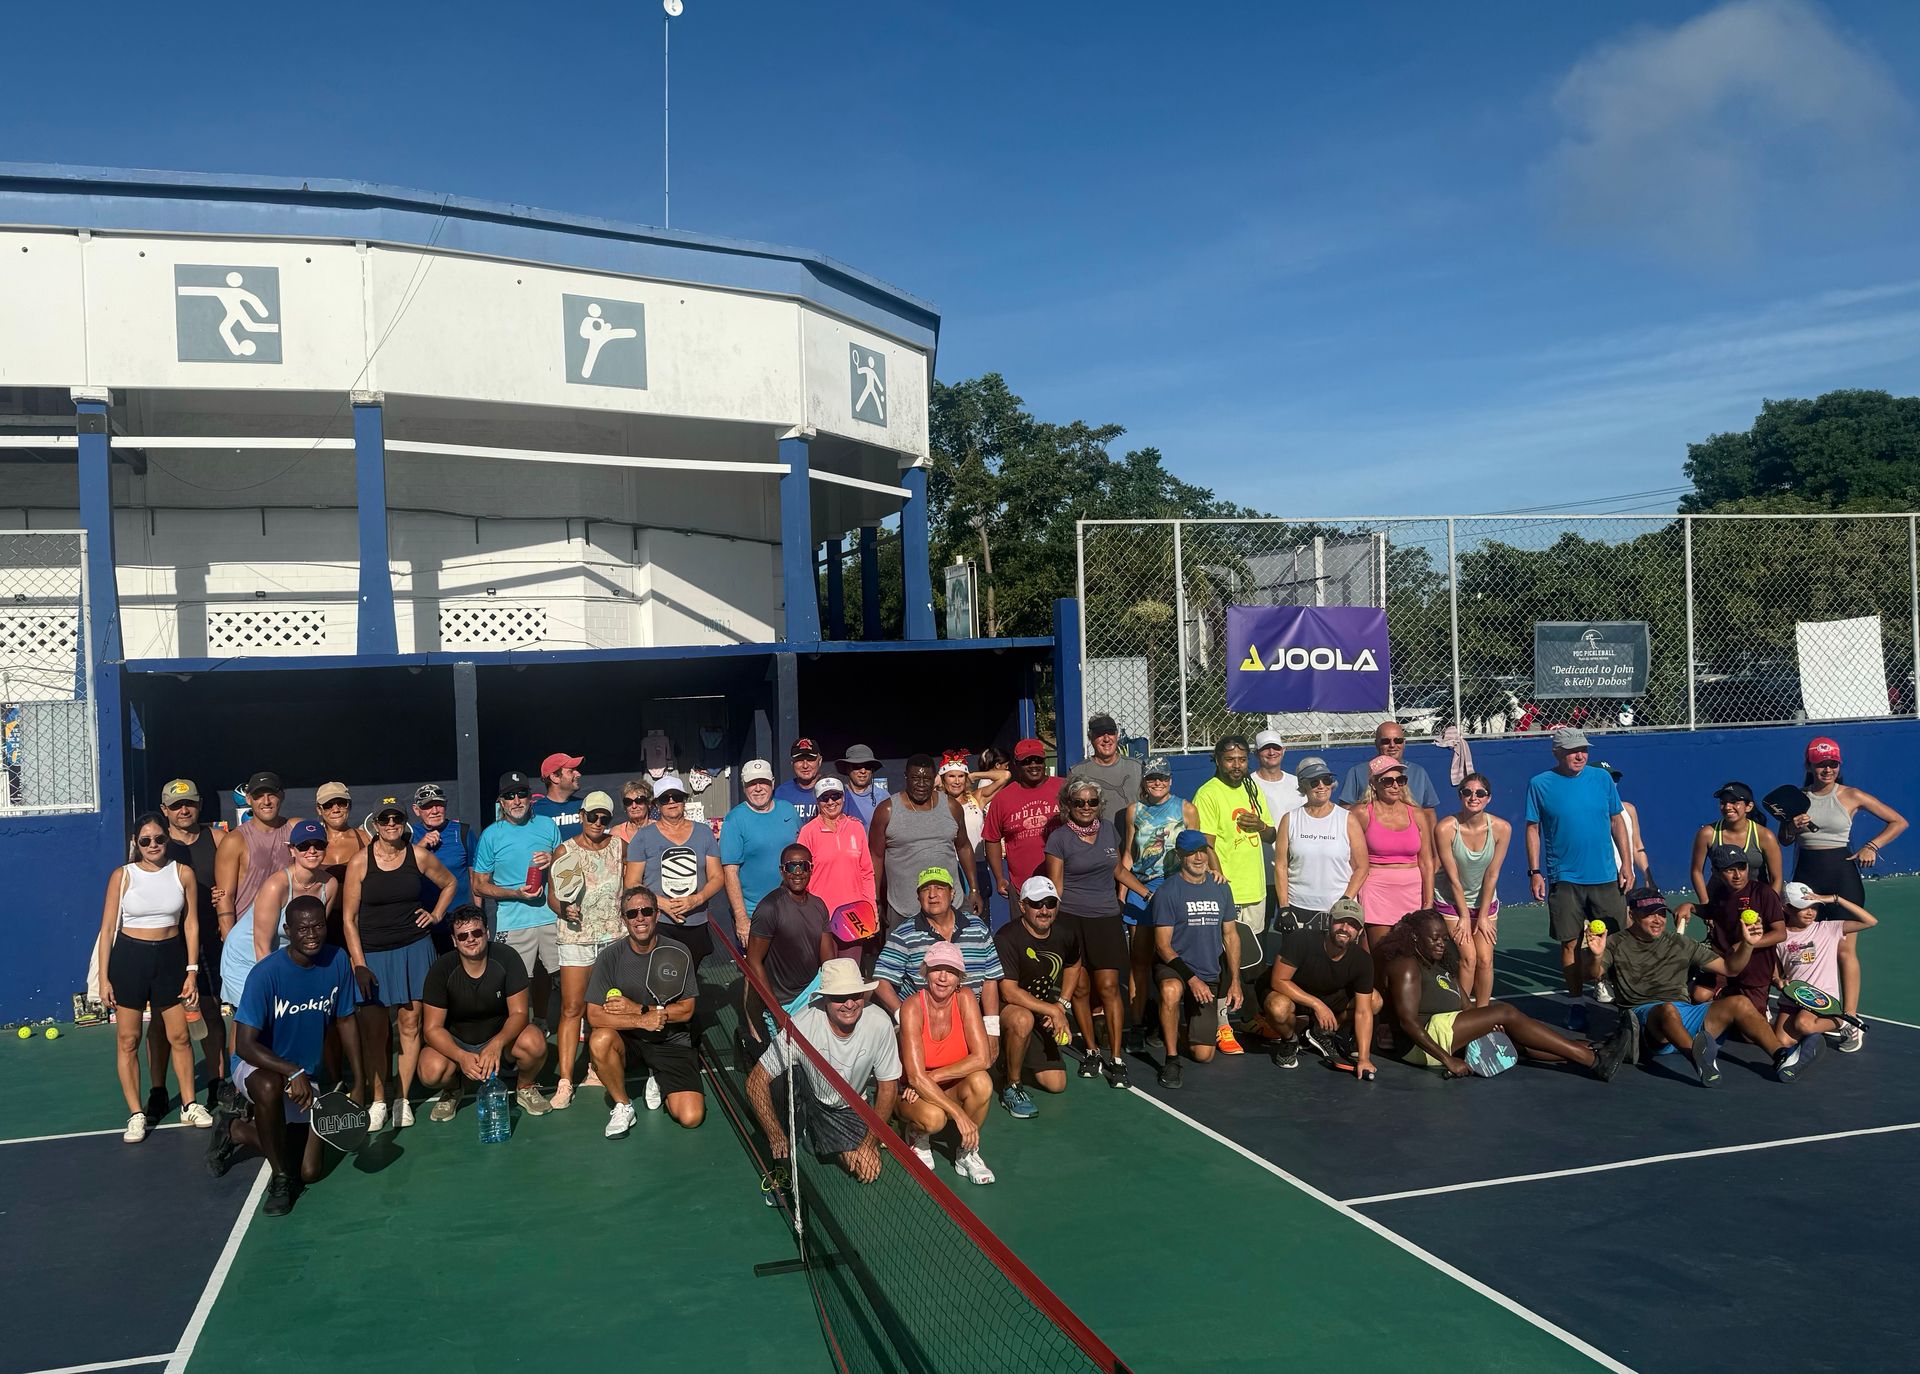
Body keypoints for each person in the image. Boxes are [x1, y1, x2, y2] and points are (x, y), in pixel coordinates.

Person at [205, 896, 367, 1217]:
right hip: (259, 1065)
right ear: (287, 930)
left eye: (318, 926)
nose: (312, 934)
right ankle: (280, 1180)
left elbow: (346, 1020)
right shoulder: (266, 974)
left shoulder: (336, 961)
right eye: (302, 928)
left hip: (306, 1073)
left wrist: (359, 1080)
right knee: (267, 1089)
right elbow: (245, 1046)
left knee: (309, 1171)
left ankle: (235, 1130)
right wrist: (291, 1072)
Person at [1578, 887, 1820, 1085]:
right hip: (1646, 1021)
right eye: (1650, 913)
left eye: (1662, 913)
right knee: (1666, 1010)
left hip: (1686, 1017)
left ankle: (1781, 1057)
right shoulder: (1614, 943)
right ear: (1632, 914)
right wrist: (1596, 955)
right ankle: (1698, 1056)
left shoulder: (1680, 943)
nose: (1658, 919)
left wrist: (1747, 944)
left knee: (1739, 1003)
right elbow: (1592, 974)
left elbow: (1730, 969)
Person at [1379, 909, 1632, 1081]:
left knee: (1515, 1036)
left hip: (1449, 1031)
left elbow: (1468, 1008)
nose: (1441, 944)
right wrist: (1448, 1061)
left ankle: (1596, 1049)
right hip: (1424, 1043)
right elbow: (1407, 1022)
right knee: (1505, 1012)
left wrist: (1486, 1025)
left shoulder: (1438, 963)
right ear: (1414, 937)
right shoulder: (1407, 965)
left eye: (1445, 939)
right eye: (1434, 939)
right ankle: (1592, 1060)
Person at [342, 801, 458, 1130]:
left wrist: (435, 915)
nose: (391, 823)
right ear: (375, 824)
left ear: (404, 822)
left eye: (397, 818)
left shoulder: (418, 856)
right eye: (385, 819)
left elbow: (449, 883)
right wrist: (359, 964)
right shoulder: (359, 861)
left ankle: (402, 1099)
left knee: (410, 1025)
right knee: (376, 1033)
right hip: (373, 956)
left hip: (414, 950)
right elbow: (349, 919)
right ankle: (379, 1099)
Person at [1780, 735, 1906, 1019]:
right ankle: (1808, 1007)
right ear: (1809, 765)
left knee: (1844, 951)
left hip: (1842, 878)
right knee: (1804, 947)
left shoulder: (1852, 795)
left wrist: (1872, 845)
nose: (1828, 769)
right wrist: (1790, 825)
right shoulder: (1797, 799)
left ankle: (1849, 1016)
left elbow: (1898, 821)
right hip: (1806, 879)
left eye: (1833, 764)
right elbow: (1785, 840)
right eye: (1821, 764)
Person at [99, 812, 206, 1141]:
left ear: (167, 840)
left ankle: (190, 1104)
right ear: (136, 843)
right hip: (129, 961)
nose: (153, 845)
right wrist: (104, 979)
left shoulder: (183, 873)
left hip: (171, 961)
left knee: (181, 1037)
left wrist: (192, 970)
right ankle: (136, 1113)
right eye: (145, 840)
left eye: (159, 839)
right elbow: (107, 929)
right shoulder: (122, 876)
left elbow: (191, 924)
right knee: (128, 1040)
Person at [745, 958, 901, 1184]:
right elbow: (755, 1082)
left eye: (856, 995)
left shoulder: (879, 1022)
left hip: (853, 1106)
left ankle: (814, 1135)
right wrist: (775, 1135)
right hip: (813, 1095)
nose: (849, 1004)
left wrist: (869, 1144)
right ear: (825, 997)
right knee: (777, 1086)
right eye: (839, 997)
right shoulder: (800, 1026)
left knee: (864, 1169)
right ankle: (807, 1122)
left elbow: (888, 1087)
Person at [1524, 727, 1631, 1032]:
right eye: (1572, 750)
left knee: (1615, 941)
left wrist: (1627, 864)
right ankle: (1576, 1004)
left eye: (1583, 749)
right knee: (1569, 942)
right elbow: (1533, 829)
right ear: (1557, 753)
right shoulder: (1539, 784)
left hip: (1606, 877)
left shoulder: (1602, 779)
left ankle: (1623, 1002)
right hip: (1564, 878)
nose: (1580, 755)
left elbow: (1616, 821)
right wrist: (1535, 872)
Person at [585, 888, 704, 1134]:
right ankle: (623, 1104)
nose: (640, 918)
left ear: (657, 915)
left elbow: (686, 1010)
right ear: (624, 919)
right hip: (629, 1040)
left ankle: (658, 1077)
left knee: (691, 1118)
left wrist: (641, 1009)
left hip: (671, 1041)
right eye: (632, 913)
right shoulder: (609, 957)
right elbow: (594, 1015)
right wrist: (641, 1021)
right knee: (599, 1040)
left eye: (646, 911)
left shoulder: (678, 952)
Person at [418, 905, 553, 1121]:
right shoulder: (441, 969)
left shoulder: (506, 957)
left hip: (500, 1039)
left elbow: (520, 1014)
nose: (470, 939)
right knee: (430, 1071)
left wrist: (496, 1044)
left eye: (477, 932)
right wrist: (461, 1055)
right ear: (454, 940)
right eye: (463, 936)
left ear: (487, 933)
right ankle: (453, 1089)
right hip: (458, 1042)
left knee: (535, 1042)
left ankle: (524, 1086)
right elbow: (431, 1029)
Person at [1044, 777, 1135, 1069]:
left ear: (1099, 805)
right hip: (1071, 919)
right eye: (1079, 802)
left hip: (1106, 918)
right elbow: (1056, 886)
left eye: (1092, 802)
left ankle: (1117, 1057)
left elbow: (1119, 869)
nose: (1086, 807)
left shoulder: (1109, 830)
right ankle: (1093, 1051)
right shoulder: (1058, 838)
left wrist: (1147, 893)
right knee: (1081, 988)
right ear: (1068, 805)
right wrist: (1046, 921)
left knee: (1108, 986)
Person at [546, 790, 626, 1109]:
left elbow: (635, 886)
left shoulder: (622, 848)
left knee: (605, 1010)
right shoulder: (564, 850)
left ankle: (596, 1067)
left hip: (613, 941)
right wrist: (563, 910)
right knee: (571, 1009)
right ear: (581, 816)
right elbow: (552, 895)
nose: (597, 822)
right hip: (575, 939)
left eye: (603, 818)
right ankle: (565, 1082)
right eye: (591, 816)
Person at [871, 869, 1004, 1059]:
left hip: (968, 1019)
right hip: (924, 1022)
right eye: (925, 890)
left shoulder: (977, 927)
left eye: (940, 888)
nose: (932, 895)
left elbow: (990, 979)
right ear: (918, 897)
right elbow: (881, 980)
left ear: (952, 893)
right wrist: (905, 1017)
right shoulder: (904, 933)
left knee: (979, 1084)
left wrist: (991, 1030)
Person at [896, 942, 996, 1184]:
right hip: (912, 1094)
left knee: (982, 1082)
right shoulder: (911, 1007)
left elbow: (982, 1058)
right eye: (936, 969)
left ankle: (966, 1153)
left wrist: (933, 1076)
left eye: (950, 971)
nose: (943, 977)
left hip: (942, 1084)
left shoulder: (966, 998)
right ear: (925, 972)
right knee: (935, 1119)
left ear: (959, 978)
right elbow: (915, 1078)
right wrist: (960, 1116)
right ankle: (917, 1135)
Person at [470, 770, 563, 1026]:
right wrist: (515, 893)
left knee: (558, 977)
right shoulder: (491, 835)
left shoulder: (547, 825)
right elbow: (479, 885)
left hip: (551, 916)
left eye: (521, 794)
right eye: (509, 796)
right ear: (501, 802)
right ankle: (516, 1029)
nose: (516, 800)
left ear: (530, 797)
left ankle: (543, 1021)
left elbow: (568, 869)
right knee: (515, 982)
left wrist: (554, 859)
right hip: (513, 922)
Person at [1149, 831, 1239, 1088]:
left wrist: (1235, 981)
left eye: (1202, 850)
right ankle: (1171, 1058)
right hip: (1177, 969)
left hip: (1208, 973)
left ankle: (1172, 1022)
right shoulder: (1168, 892)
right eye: (1191, 852)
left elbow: (1231, 935)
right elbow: (1163, 946)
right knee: (1170, 990)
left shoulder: (1221, 887)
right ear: (1180, 856)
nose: (1198, 857)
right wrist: (1191, 979)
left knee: (1204, 1055)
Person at [158, 778, 228, 1109]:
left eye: (189, 804)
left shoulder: (218, 838)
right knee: (165, 1022)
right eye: (175, 805)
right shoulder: (156, 844)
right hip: (170, 945)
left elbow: (240, 882)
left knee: (212, 1014)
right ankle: (161, 1092)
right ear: (165, 811)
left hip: (211, 942)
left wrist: (223, 894)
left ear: (199, 805)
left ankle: (218, 1083)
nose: (183, 810)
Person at [1116, 758, 1198, 1034]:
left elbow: (1197, 851)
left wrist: (1207, 881)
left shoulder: (1185, 808)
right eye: (1152, 778)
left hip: (1176, 887)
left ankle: (1180, 1022)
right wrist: (1122, 894)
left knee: (1178, 955)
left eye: (1162, 778)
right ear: (1144, 782)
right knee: (1138, 960)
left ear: (1171, 780)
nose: (1157, 783)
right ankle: (1138, 1026)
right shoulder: (1133, 811)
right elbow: (1128, 854)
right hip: (1142, 890)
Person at [220, 819, 336, 1013]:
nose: (312, 850)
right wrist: (278, 987)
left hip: (283, 956)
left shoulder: (330, 885)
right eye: (304, 846)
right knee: (252, 1019)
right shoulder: (276, 886)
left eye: (319, 845)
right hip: (247, 956)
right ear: (292, 850)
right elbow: (261, 946)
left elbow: (314, 936)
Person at [993, 876, 1084, 1116]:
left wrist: (1062, 1002)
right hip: (1007, 1010)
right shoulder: (1007, 938)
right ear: (1022, 906)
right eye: (1036, 903)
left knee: (1056, 1084)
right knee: (1023, 1020)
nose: (1044, 910)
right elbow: (1008, 991)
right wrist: (1052, 1010)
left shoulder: (1065, 934)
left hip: (1041, 1011)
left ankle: (1014, 1057)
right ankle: (1012, 1086)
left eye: (1050, 903)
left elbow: (1074, 965)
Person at [1263, 897, 1381, 1074]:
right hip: (1291, 993)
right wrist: (1317, 1005)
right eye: (1340, 921)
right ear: (1329, 921)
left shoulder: (1363, 959)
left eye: (1352, 925)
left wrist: (1364, 1059)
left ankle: (1323, 1032)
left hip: (1329, 996)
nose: (1345, 928)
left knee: (1374, 1000)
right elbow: (1278, 980)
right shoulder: (1301, 939)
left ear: (1360, 931)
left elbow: (1363, 1011)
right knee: (1278, 1008)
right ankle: (1290, 1040)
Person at [623, 773, 724, 967]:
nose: (671, 802)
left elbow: (717, 876)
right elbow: (631, 883)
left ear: (684, 800)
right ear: (656, 804)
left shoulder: (704, 832)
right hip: (659, 922)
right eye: (664, 798)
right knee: (662, 979)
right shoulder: (642, 837)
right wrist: (662, 904)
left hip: (696, 921)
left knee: (690, 979)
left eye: (676, 797)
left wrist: (696, 899)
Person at [1343, 755, 1437, 964]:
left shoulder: (1417, 814)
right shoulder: (1361, 813)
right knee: (1382, 956)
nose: (1395, 785)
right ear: (1374, 783)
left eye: (1400, 780)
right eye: (1387, 780)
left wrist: (1428, 901)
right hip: (1376, 892)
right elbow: (1351, 858)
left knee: (1413, 957)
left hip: (1413, 893)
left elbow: (1427, 862)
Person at [1434, 771, 1511, 1008]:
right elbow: (1453, 877)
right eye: (1467, 792)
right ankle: (1461, 1013)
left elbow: (1492, 874)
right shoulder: (1446, 828)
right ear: (1460, 796)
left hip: (1485, 902)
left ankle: (1483, 1014)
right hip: (1451, 901)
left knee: (1486, 960)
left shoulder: (1502, 828)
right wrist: (1465, 917)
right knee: (1468, 958)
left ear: (1488, 798)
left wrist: (1484, 916)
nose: (1473, 797)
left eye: (1480, 793)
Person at [872, 754, 977, 927]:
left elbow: (964, 847)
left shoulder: (951, 807)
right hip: (904, 909)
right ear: (906, 777)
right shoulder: (887, 810)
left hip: (952, 907)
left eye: (927, 779)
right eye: (915, 778)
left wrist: (974, 889)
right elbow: (875, 856)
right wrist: (875, 899)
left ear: (935, 779)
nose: (921, 784)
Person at [214, 770, 299, 982]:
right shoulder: (234, 840)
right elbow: (224, 897)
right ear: (249, 799)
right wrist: (230, 940)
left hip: (290, 938)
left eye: (271, 794)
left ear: (282, 795)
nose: (266, 801)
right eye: (259, 795)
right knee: (249, 1012)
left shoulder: (295, 830)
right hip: (248, 939)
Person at [1772, 883, 1875, 1053]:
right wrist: (1777, 980)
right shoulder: (1780, 936)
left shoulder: (1828, 929)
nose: (1810, 912)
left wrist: (1836, 899)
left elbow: (1870, 921)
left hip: (1821, 999)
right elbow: (1775, 967)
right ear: (1786, 908)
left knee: (1803, 1024)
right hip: (1793, 997)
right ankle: (1815, 1032)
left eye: (1814, 906)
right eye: (1803, 907)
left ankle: (1846, 1022)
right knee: (1782, 1042)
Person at [745, 843, 836, 1037]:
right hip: (784, 1002)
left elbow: (828, 961)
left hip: (814, 992)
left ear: (810, 869)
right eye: (790, 867)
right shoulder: (769, 908)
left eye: (802, 866)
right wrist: (778, 1012)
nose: (797, 872)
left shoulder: (819, 905)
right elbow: (753, 961)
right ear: (782, 871)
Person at [1690, 845, 1789, 1018]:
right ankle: (1726, 996)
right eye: (1730, 870)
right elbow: (1712, 911)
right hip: (1724, 963)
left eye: (1742, 868)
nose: (1738, 875)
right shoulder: (1719, 892)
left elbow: (1780, 933)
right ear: (1716, 871)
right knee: (1700, 995)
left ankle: (1748, 1005)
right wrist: (1690, 907)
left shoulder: (1764, 893)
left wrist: (1746, 944)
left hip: (1755, 971)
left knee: (1749, 1033)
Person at [1192, 735, 1274, 941]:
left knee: (1255, 955)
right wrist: (1221, 887)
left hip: (1255, 890)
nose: (1237, 765)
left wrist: (1260, 825)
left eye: (1242, 759)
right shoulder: (1208, 793)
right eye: (1230, 759)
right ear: (1218, 760)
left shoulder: (1252, 788)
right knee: (1227, 955)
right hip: (1227, 891)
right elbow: (1205, 845)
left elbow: (1271, 834)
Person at [721, 759, 802, 945]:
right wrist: (741, 920)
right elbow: (730, 873)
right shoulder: (734, 820)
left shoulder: (788, 810)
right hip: (754, 913)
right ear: (744, 787)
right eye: (751, 783)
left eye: (763, 782)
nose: (758, 788)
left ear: (772, 783)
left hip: (792, 907)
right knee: (756, 971)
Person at [1273, 756, 1357, 932]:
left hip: (1337, 908)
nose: (1321, 786)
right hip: (1298, 906)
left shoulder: (1348, 819)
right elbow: (1281, 865)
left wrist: (1346, 899)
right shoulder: (1290, 819)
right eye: (1314, 782)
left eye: (1326, 780)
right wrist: (1284, 907)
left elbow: (1362, 867)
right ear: (1303, 786)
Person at [798, 778, 877, 962]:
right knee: (827, 977)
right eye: (825, 798)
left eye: (836, 796)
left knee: (850, 976)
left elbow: (866, 872)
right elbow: (801, 876)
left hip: (853, 917)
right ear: (817, 801)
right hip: (821, 917)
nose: (831, 802)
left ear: (843, 797)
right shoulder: (808, 832)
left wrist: (871, 910)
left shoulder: (856, 827)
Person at [983, 738, 1064, 901]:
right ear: (1016, 764)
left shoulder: (1064, 788)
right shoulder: (1002, 799)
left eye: (1038, 760)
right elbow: (991, 838)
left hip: (1065, 885)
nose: (1033, 765)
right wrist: (999, 877)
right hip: (1023, 889)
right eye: (1026, 761)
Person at [1690, 781, 1784, 904]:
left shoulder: (1765, 836)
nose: (1728, 807)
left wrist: (1769, 907)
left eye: (1734, 802)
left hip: (1757, 902)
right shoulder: (1707, 834)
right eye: (1723, 803)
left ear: (1749, 806)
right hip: (1719, 904)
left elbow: (1776, 878)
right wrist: (1706, 905)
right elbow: (1696, 871)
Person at [410, 783, 474, 953]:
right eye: (427, 806)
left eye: (438, 805)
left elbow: (474, 874)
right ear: (417, 810)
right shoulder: (408, 835)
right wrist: (421, 846)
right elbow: (403, 872)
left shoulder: (463, 831)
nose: (434, 810)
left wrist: (476, 912)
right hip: (423, 920)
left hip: (460, 919)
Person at [1337, 721, 1441, 811]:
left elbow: (1429, 810)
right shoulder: (1357, 772)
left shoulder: (1419, 773)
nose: (1392, 745)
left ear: (1404, 743)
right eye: (1385, 741)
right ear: (1377, 744)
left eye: (1398, 740)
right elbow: (1346, 808)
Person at [1065, 712, 1142, 824]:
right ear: (1090, 737)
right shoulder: (1077, 772)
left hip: (1131, 838)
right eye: (1100, 734)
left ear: (1117, 735)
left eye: (1110, 733)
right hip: (1095, 838)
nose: (1106, 739)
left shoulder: (1137, 768)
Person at [1595, 762, 1652, 889]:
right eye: (1607, 778)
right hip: (1599, 884)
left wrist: (1648, 878)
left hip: (1627, 882)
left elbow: (1637, 847)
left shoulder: (1629, 809)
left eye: (1615, 778)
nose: (1612, 783)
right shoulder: (1585, 812)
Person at [313, 781, 366, 900]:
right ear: (319, 809)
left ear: (349, 805)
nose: (335, 809)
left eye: (341, 803)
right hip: (320, 915)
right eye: (328, 805)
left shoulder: (366, 839)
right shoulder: (310, 842)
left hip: (359, 914)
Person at [531, 750, 585, 845]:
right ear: (554, 777)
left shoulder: (585, 805)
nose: (578, 774)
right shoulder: (534, 812)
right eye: (571, 771)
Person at [837, 744, 891, 827]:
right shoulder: (837, 796)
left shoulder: (883, 797)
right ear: (847, 768)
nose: (863, 771)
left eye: (867, 766)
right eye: (857, 766)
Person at [774, 737, 825, 822]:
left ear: (819, 761)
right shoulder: (781, 793)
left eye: (810, 759)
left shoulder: (833, 790)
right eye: (800, 760)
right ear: (792, 762)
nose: (805, 765)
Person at [613, 778, 655, 845]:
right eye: (628, 802)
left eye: (639, 801)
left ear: (649, 803)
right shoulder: (616, 833)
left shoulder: (661, 829)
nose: (634, 806)